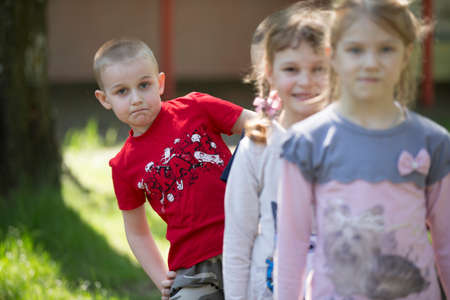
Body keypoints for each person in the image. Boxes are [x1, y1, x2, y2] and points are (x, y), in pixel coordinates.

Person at [275, 0, 450, 299]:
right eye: (356, 50)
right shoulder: (306, 142)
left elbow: (446, 244)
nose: (371, 62)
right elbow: (291, 247)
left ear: (407, 53)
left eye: (386, 49)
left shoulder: (433, 142)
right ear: (333, 55)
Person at [93, 38, 254, 299]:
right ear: (104, 99)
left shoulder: (195, 107)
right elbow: (137, 231)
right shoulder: (123, 166)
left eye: (144, 85)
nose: (136, 99)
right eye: (122, 91)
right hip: (193, 264)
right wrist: (160, 278)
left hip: (247, 238)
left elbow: (256, 125)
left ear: (160, 83)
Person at [222, 5, 331, 299]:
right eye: (292, 69)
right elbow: (237, 240)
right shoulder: (257, 146)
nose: (306, 81)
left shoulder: (345, 141)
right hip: (269, 289)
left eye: (318, 68)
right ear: (270, 73)